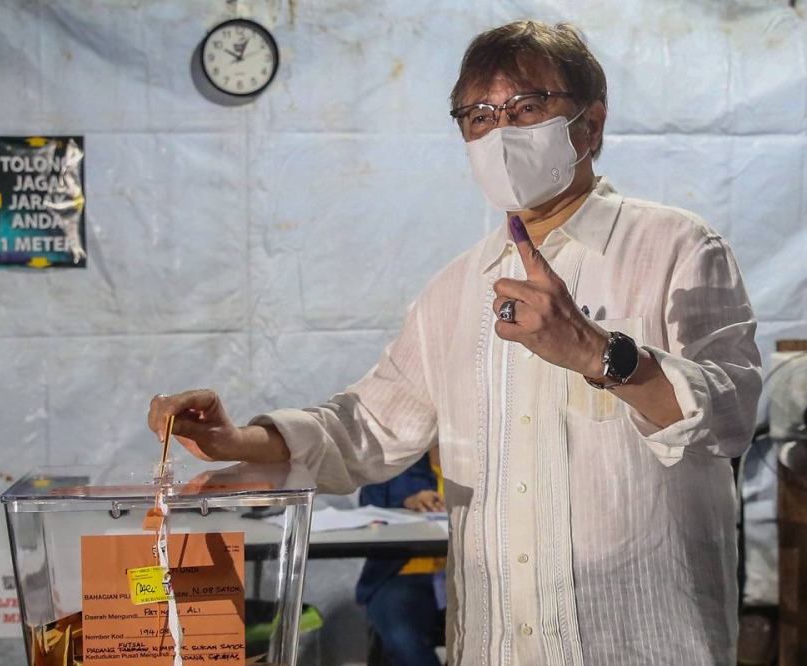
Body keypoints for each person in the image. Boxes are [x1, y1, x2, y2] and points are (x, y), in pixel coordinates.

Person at [149, 21, 763, 665]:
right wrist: (235, 440)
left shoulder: (675, 246)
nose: (500, 133)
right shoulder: (457, 288)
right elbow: (364, 429)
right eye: (478, 117)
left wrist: (599, 354)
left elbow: (731, 417)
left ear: (591, 123)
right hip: (497, 646)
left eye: (526, 107)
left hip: (642, 643)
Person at [357, 448, 446, 666]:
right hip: (403, 572)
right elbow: (366, 515)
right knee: (403, 639)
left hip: (468, 574)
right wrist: (405, 504)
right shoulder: (392, 462)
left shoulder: (484, 465)